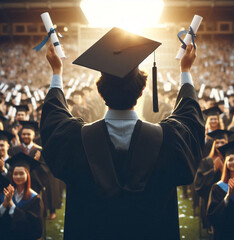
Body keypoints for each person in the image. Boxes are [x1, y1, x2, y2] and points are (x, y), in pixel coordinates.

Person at [40, 28, 205, 240]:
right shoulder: (168, 140)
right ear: (141, 90)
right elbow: (190, 119)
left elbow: (54, 118)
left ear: (100, 92)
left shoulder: (76, 140)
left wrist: (57, 72)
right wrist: (185, 70)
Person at [194, 129, 233, 232]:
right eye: (217, 142)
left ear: (227, 143)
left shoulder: (232, 161)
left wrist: (222, 169)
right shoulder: (207, 161)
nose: (219, 145)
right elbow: (199, 184)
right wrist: (214, 170)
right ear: (213, 144)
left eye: (222, 142)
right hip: (211, 198)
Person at [0, 152, 44, 240]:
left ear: (27, 175)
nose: (18, 176)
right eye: (15, 174)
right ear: (11, 175)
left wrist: (11, 204)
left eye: (21, 173)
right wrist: (5, 203)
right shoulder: (6, 193)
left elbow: (35, 228)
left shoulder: (35, 198)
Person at [207, 141, 234, 240]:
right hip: (223, 232)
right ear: (226, 162)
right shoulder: (217, 187)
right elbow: (212, 214)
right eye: (230, 160)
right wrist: (228, 195)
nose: (233, 162)